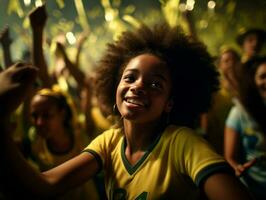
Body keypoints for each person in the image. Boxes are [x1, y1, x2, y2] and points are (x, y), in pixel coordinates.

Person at [1, 23, 253, 199]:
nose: (138, 86)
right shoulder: (109, 142)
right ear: (115, 86)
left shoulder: (183, 144)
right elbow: (44, 186)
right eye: (129, 78)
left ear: (170, 103)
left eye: (156, 84)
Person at [224, 56, 266, 200]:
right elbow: (229, 157)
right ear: (253, 81)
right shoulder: (239, 113)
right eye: (262, 76)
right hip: (255, 190)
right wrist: (237, 167)